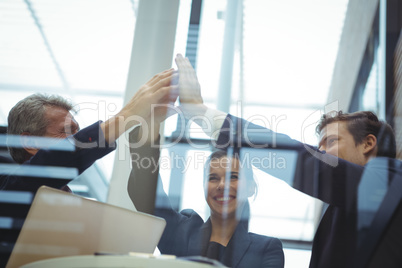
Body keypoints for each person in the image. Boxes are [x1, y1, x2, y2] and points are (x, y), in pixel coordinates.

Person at [173, 54, 402, 267]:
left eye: (330, 142)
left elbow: (300, 159)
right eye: (318, 146)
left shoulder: (391, 179)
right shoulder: (341, 209)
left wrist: (200, 112)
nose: (319, 152)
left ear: (368, 143)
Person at [127, 108, 285, 267]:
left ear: (251, 187)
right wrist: (152, 121)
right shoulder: (182, 232)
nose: (222, 185)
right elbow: (146, 192)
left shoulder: (266, 249)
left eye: (233, 177)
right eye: (213, 178)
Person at [1, 68, 178, 192]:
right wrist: (130, 113)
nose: (76, 138)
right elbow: (54, 159)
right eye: (66, 131)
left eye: (77, 132)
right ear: (30, 142)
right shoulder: (12, 189)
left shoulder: (75, 208)